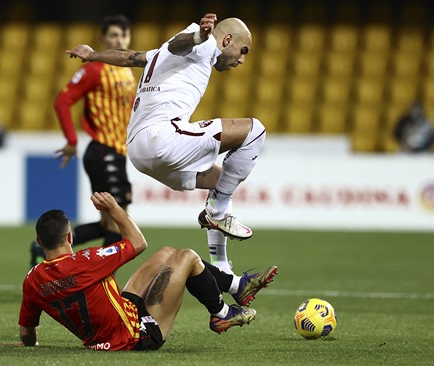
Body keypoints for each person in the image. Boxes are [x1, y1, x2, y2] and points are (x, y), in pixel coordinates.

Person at [66, 13, 266, 275]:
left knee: (221, 182)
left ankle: (222, 270)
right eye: (243, 51)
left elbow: (129, 57)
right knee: (255, 130)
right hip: (162, 139)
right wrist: (198, 36)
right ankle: (215, 214)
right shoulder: (202, 43)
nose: (241, 59)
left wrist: (93, 55)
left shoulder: (160, 54)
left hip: (138, 150)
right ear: (227, 39)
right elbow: (179, 44)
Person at [18, 192, 278, 351]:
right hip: (136, 336)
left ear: (40, 243)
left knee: (167, 253)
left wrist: (29, 345)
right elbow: (138, 242)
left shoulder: (32, 280)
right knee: (186, 256)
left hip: (113, 324)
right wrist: (114, 209)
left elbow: (26, 332)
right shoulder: (87, 260)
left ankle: (237, 287)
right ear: (70, 236)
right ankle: (221, 313)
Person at [30, 15, 137, 266]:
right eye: (113, 35)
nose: (119, 40)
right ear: (102, 39)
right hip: (103, 150)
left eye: (123, 35)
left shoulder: (128, 71)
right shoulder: (94, 70)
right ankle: (103, 281)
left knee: (109, 223)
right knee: (118, 221)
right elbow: (62, 101)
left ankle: (41, 249)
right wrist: (71, 140)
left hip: (117, 151)